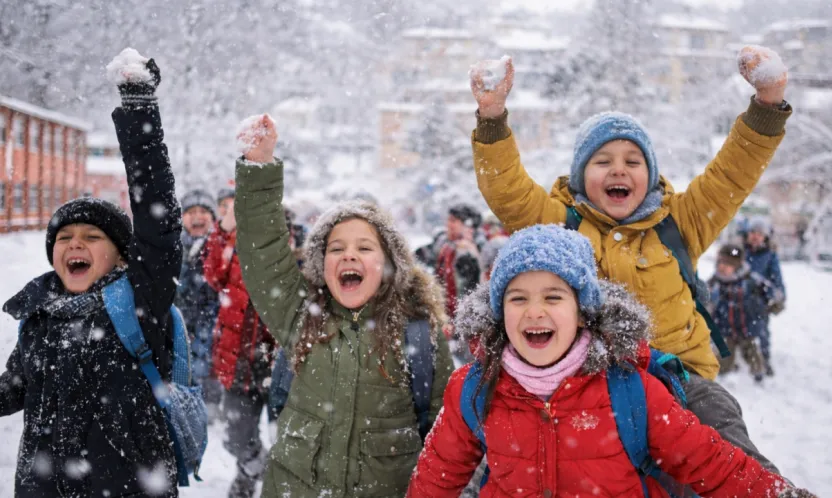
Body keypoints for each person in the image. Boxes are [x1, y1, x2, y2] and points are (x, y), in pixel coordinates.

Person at [465, 45, 792, 472]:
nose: (619, 170)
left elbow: (733, 171)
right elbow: (506, 191)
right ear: (581, 177)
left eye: (632, 161)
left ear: (651, 175)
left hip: (680, 380)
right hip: (589, 386)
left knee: (724, 438)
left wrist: (768, 104)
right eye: (603, 161)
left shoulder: (682, 222)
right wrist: (491, 117)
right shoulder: (559, 225)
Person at [407, 224, 815, 498]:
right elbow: (434, 480)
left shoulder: (628, 388)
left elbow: (713, 463)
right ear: (499, 312)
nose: (534, 312)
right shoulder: (473, 388)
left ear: (583, 311)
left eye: (553, 297)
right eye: (518, 298)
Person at [232, 114, 454, 497]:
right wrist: (258, 167)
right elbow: (263, 254)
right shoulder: (301, 318)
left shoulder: (420, 335)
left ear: (388, 265)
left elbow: (448, 441)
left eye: (364, 248)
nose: (348, 256)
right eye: (336, 249)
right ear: (321, 265)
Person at [0, 50, 182, 497]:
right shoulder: (39, 314)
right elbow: (14, 387)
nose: (75, 244)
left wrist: (139, 109)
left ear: (122, 257)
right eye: (64, 238)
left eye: (91, 237)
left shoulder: (137, 301)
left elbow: (157, 221)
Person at [202, 188, 277, 498]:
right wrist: (226, 229)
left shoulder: (283, 240)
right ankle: (259, 469)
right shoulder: (230, 243)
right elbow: (213, 274)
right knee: (236, 437)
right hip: (237, 361)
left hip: (277, 362)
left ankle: (253, 484)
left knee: (288, 438)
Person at [176, 188, 221, 417]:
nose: (197, 217)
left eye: (203, 211)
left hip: (212, 318)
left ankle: (210, 404)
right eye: (191, 211)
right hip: (181, 317)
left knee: (209, 360)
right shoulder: (173, 247)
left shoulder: (220, 246)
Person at [709, 244, 782, 383]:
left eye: (728, 264)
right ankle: (727, 371)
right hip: (726, 330)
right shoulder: (715, 283)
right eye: (720, 262)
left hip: (748, 329)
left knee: (753, 355)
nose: (722, 267)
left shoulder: (751, 281)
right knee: (723, 360)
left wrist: (775, 304)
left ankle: (759, 374)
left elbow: (773, 293)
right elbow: (705, 301)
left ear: (737, 266)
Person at [743, 217, 786, 375]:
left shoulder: (770, 256)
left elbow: (777, 280)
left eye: (759, 233)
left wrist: (777, 296)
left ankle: (764, 359)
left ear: (765, 237)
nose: (755, 236)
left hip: (759, 300)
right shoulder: (741, 251)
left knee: (760, 331)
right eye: (753, 232)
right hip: (737, 297)